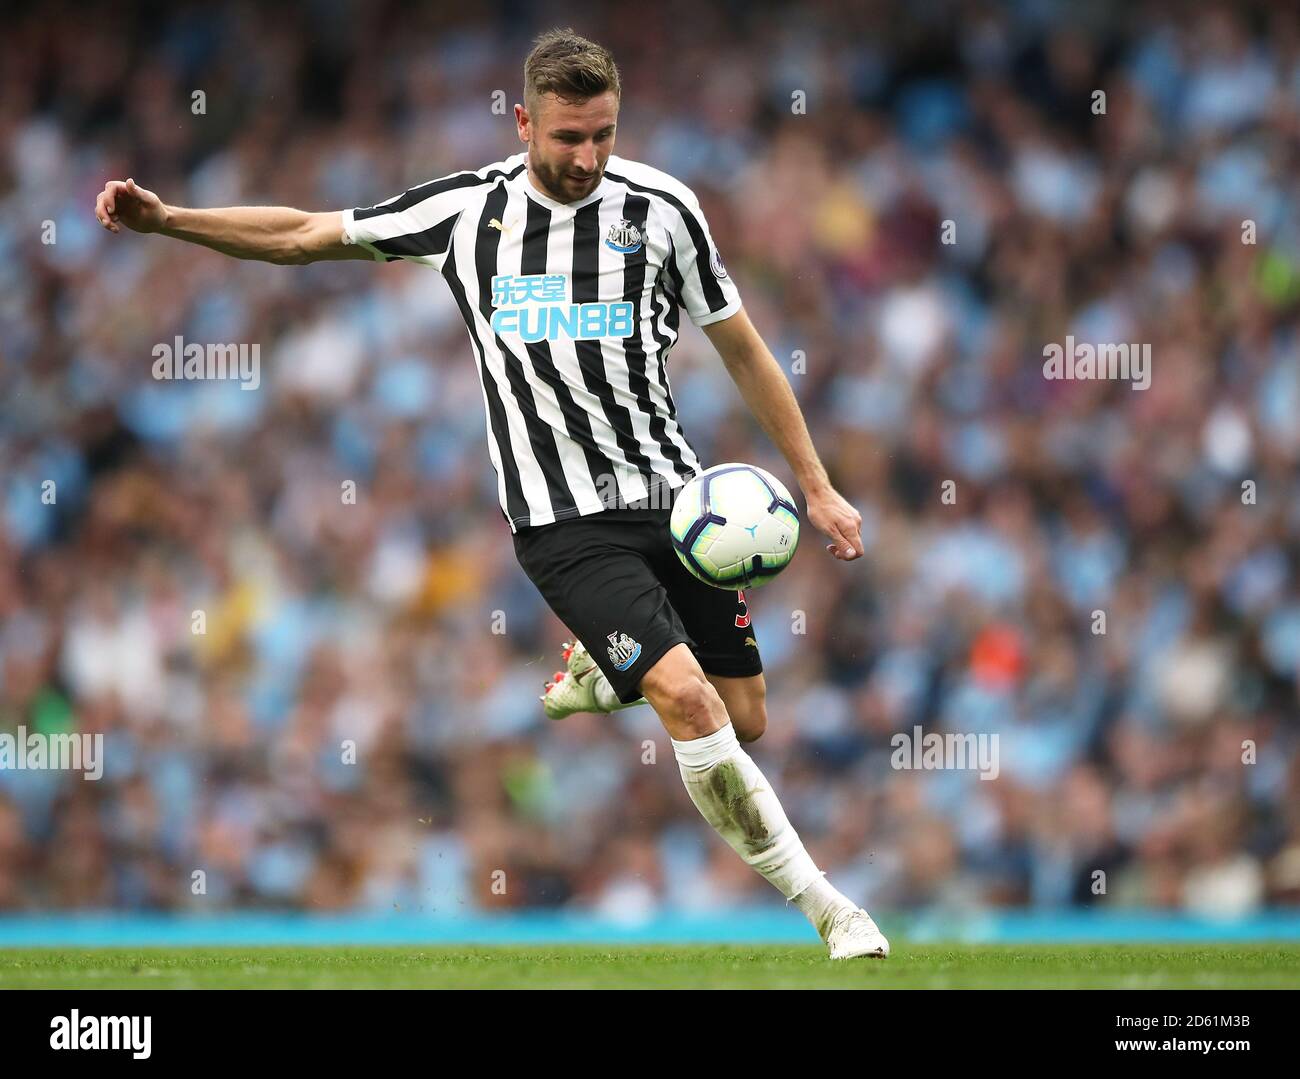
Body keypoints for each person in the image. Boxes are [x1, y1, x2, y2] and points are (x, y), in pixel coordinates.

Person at [93, 27, 888, 959]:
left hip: (678, 505)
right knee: (692, 704)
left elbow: (743, 346)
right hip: (559, 522)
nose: (587, 157)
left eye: (603, 135)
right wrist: (168, 220)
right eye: (566, 138)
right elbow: (306, 235)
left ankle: (604, 669)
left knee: (745, 715)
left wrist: (817, 485)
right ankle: (831, 906)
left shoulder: (665, 209)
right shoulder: (467, 214)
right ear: (522, 123)